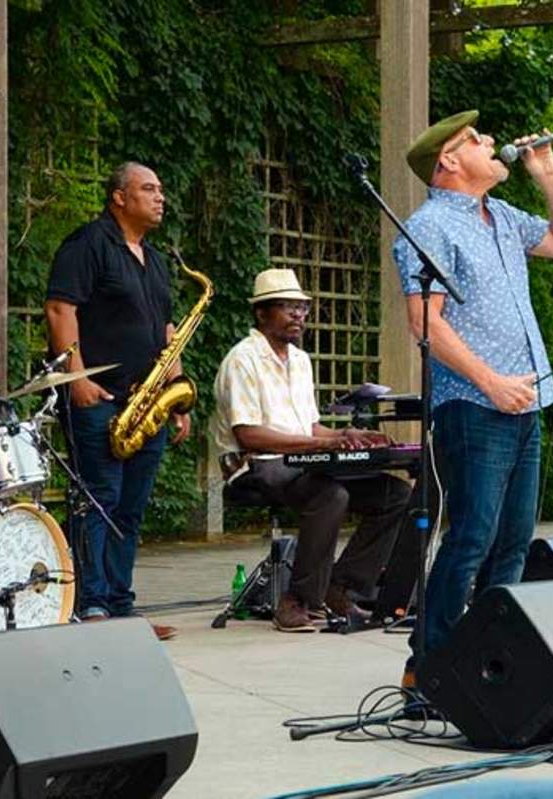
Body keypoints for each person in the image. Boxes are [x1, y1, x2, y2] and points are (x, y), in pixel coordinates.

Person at [392, 110, 553, 676]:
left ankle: (497, 665)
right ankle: (432, 664)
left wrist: (548, 175)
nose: (492, 141)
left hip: (527, 400)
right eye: (477, 139)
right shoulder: (431, 226)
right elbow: (424, 321)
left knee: (514, 541)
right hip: (476, 405)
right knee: (473, 535)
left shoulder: (501, 216)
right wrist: (489, 381)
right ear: (448, 160)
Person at [214, 268, 412, 632]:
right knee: (330, 494)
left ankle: (342, 587)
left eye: (302, 308)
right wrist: (326, 443)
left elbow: (309, 427)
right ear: (261, 313)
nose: (299, 316)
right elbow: (250, 435)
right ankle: (297, 600)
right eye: (288, 308)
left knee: (396, 494)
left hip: (303, 461)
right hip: (257, 465)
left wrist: (348, 434)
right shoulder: (242, 360)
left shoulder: (300, 361)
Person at [44, 161, 190, 639]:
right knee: (98, 500)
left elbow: (167, 333)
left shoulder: (156, 260)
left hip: (145, 402)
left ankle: (121, 604)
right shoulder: (88, 244)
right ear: (119, 198)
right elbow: (60, 308)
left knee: (130, 506)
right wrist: (76, 376)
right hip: (98, 396)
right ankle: (90, 605)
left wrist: (177, 395)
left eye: (160, 188)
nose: (159, 196)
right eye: (148, 188)